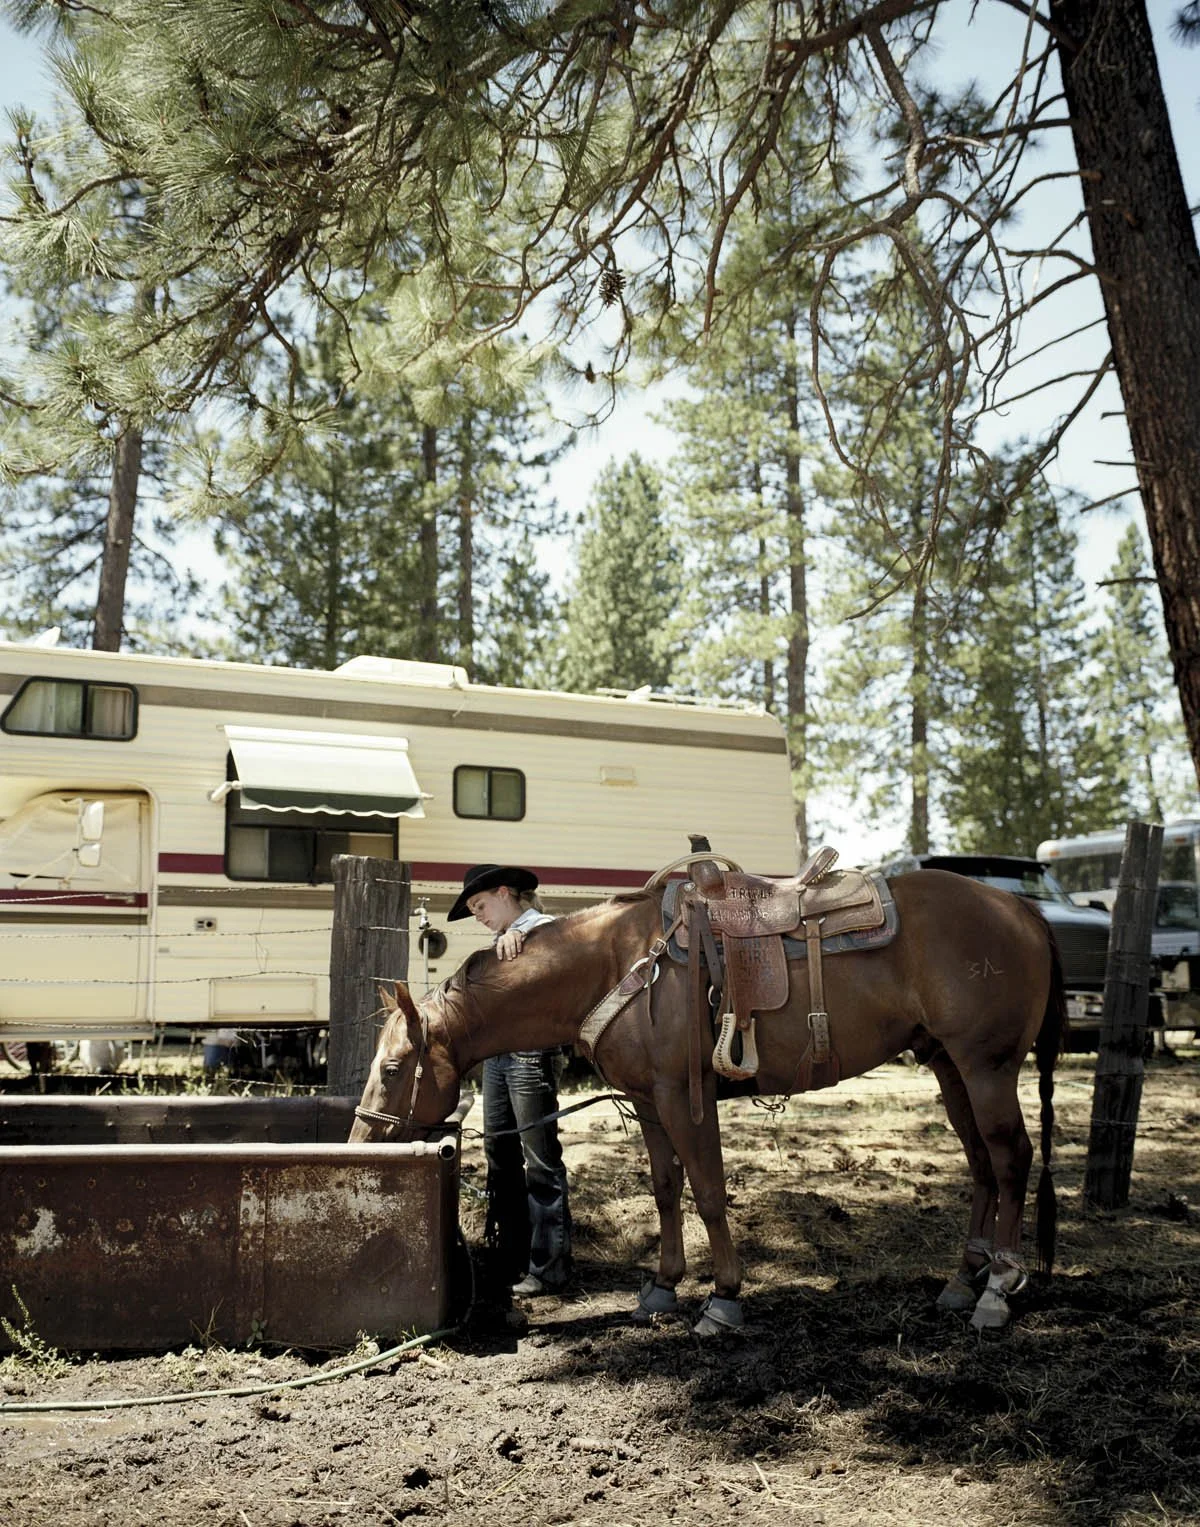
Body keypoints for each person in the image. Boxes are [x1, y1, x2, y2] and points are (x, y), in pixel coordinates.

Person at [448, 863, 573, 1296]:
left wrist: (525, 942)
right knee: (499, 1151)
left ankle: (548, 1265)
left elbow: (557, 978)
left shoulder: (544, 929)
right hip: (499, 1058)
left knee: (538, 1157)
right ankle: (510, 1253)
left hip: (530, 1055)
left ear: (505, 893)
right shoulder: (502, 938)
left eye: (480, 905)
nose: (478, 915)